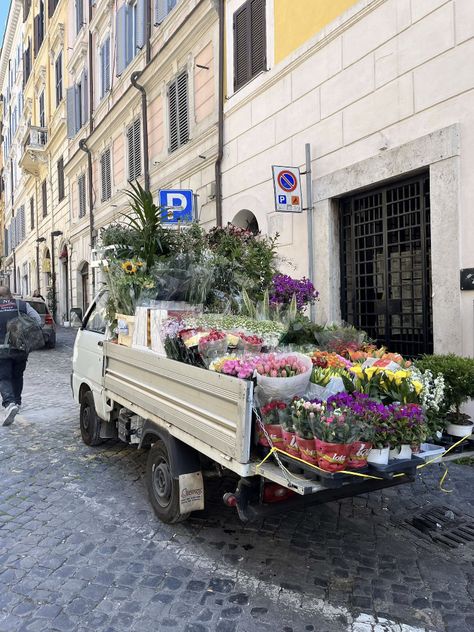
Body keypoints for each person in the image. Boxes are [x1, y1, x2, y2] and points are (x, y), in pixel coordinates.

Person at [0, 286, 42, 426]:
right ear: (10, 294)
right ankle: (17, 403)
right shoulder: (22, 305)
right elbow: (37, 320)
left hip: (2, 351)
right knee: (18, 376)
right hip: (21, 349)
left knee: (3, 377)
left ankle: (9, 403)